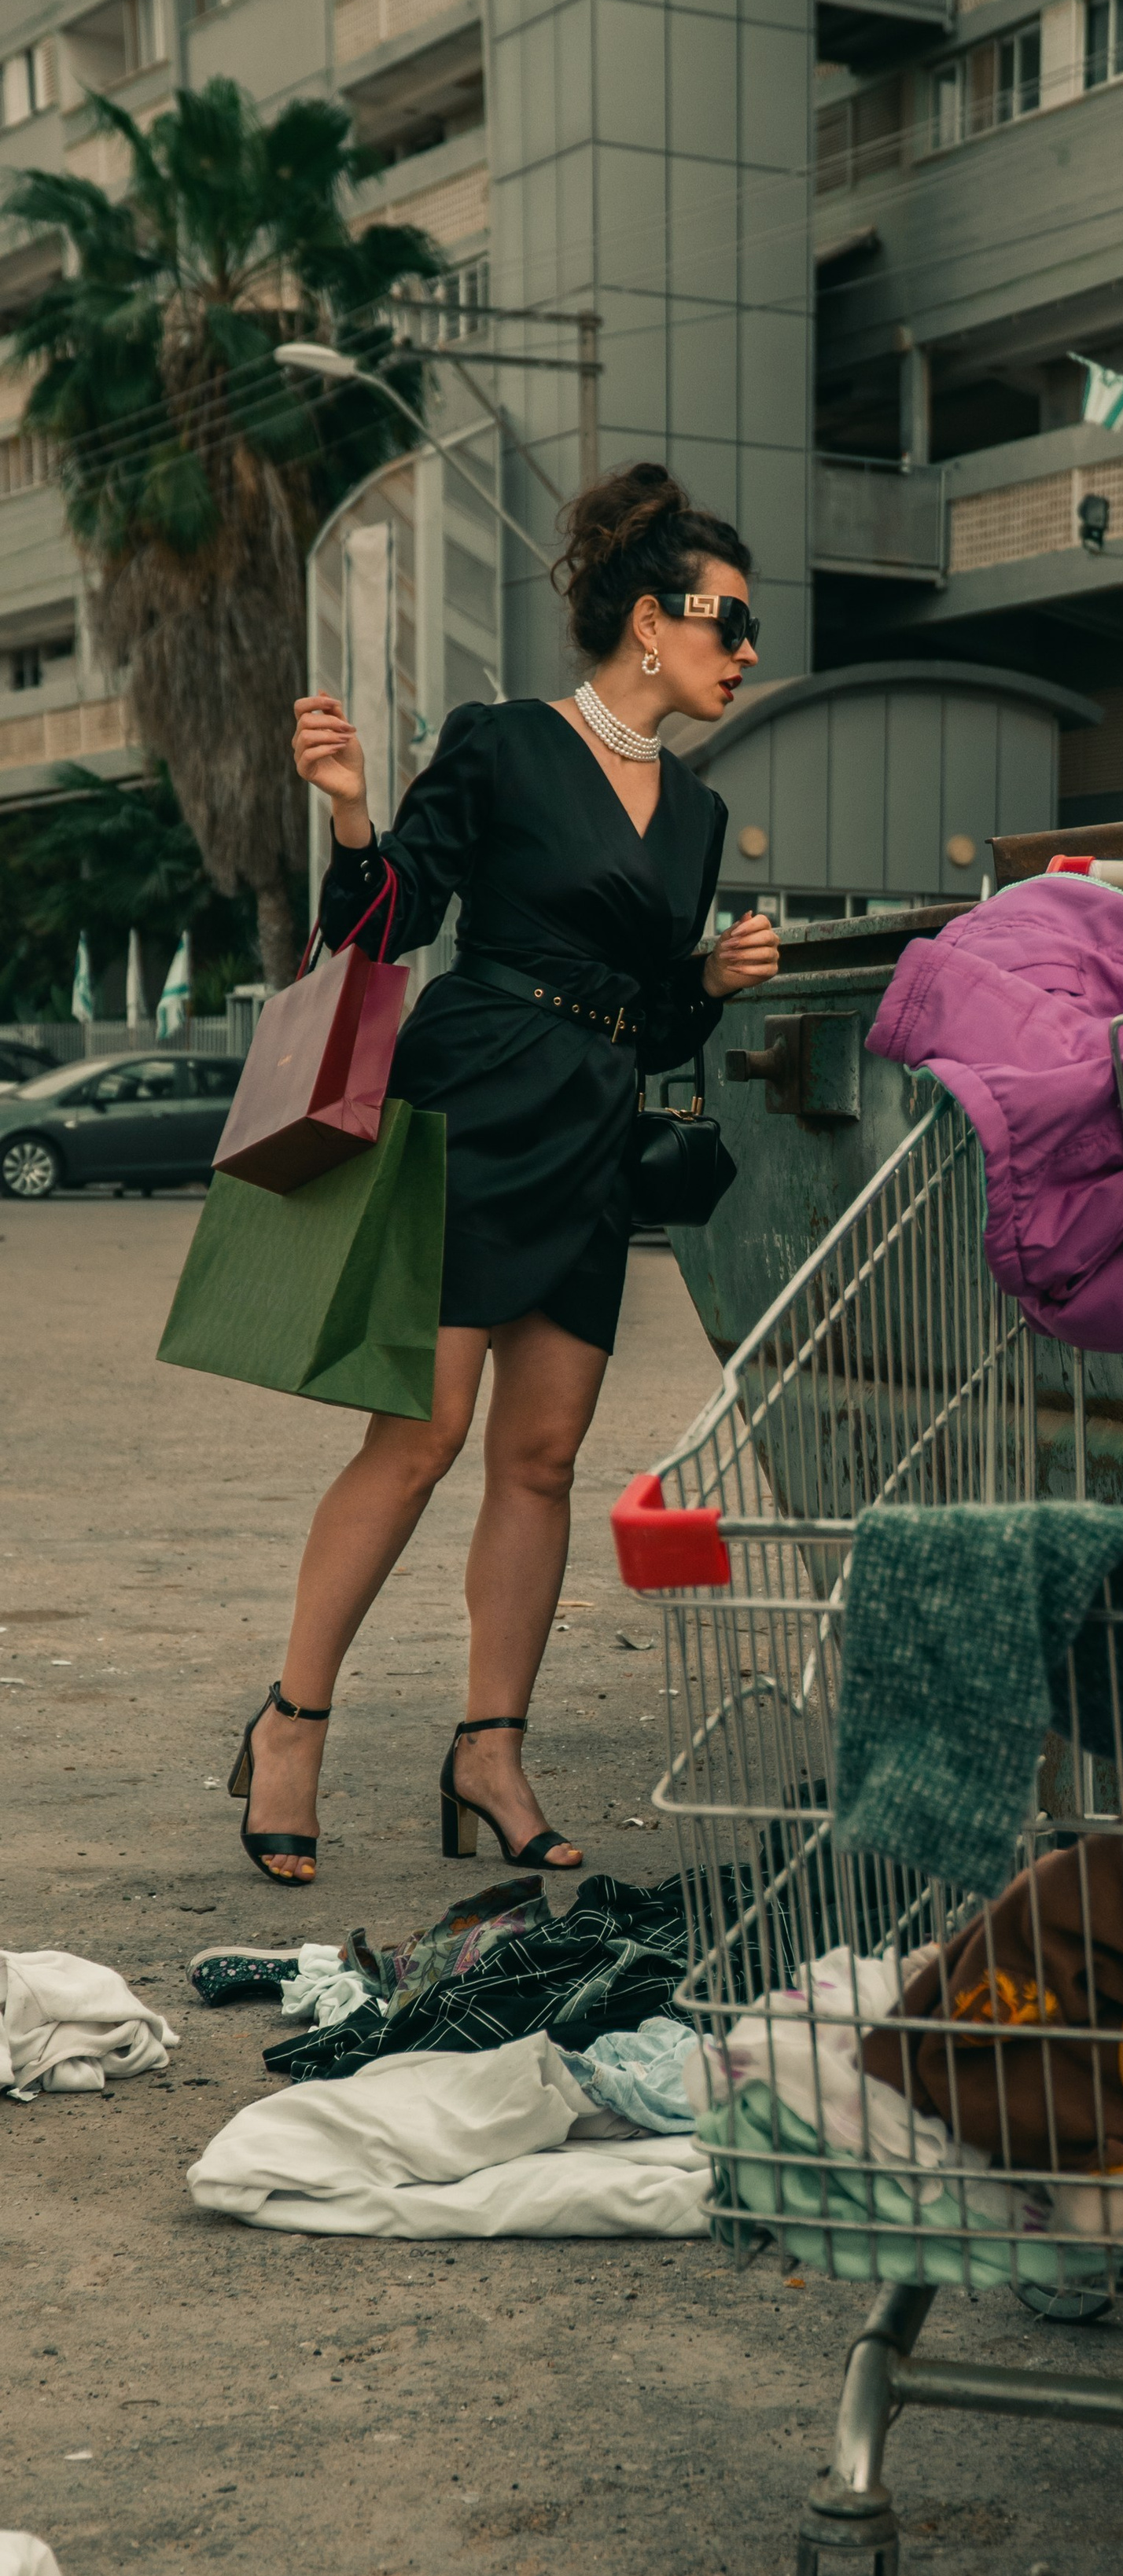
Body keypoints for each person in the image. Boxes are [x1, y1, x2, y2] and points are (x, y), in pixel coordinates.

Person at [230, 463, 779, 1887]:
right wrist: (352, 811)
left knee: (540, 1458)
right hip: (474, 1099)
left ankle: (491, 1754)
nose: (746, 653)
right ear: (650, 625)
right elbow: (388, 919)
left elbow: (655, 1018)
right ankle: (291, 1723)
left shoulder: (701, 818)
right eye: (730, 622)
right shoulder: (505, 743)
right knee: (421, 1434)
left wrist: (706, 978)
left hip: (591, 1125)